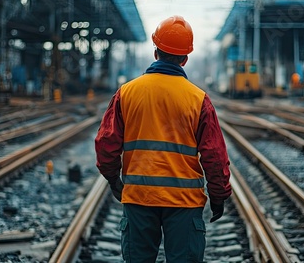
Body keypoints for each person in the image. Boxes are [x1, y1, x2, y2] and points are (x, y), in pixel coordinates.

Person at [94, 15, 232, 263]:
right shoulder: (198, 99)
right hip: (184, 203)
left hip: (139, 199)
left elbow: (106, 144)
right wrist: (218, 194)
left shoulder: (127, 93)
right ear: (185, 58)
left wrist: (114, 179)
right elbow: (214, 155)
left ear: (155, 51)